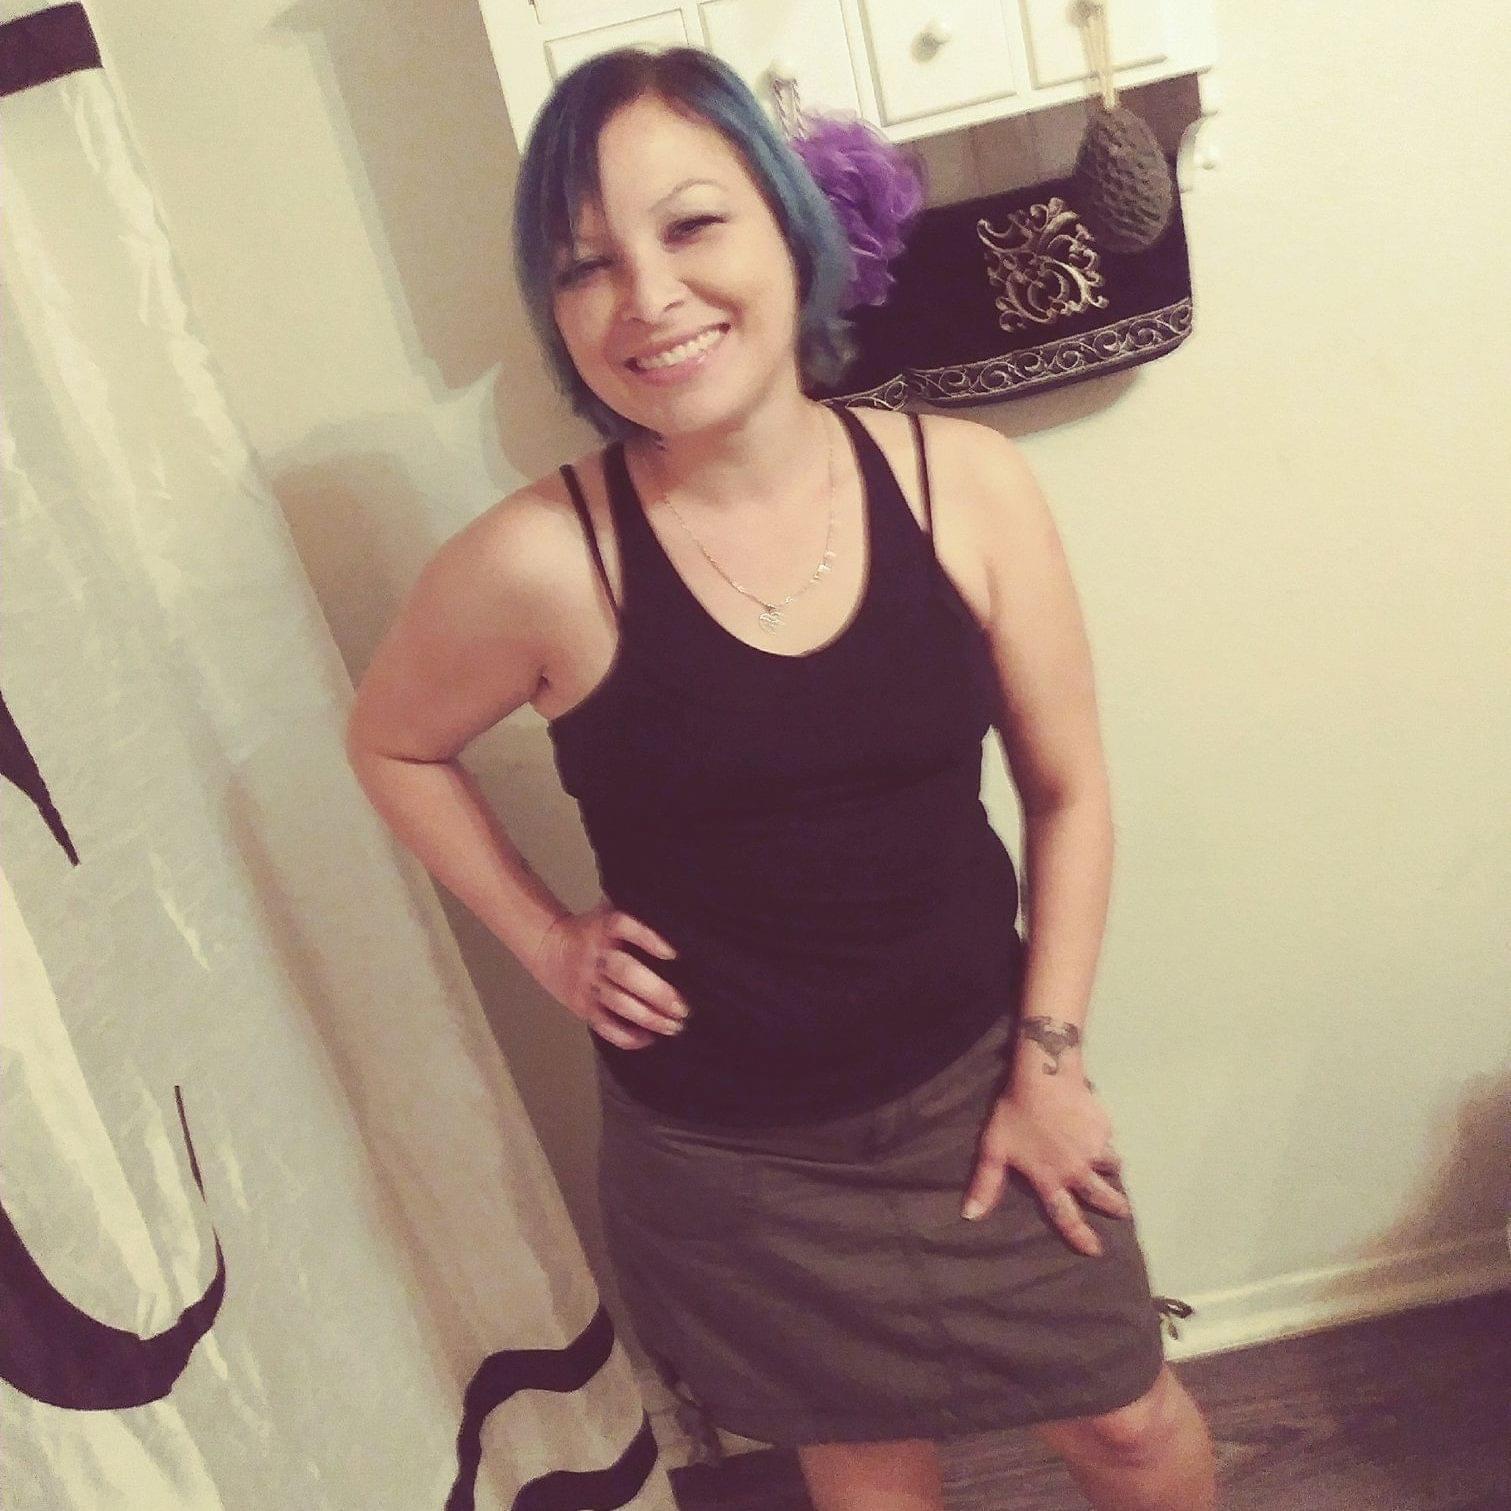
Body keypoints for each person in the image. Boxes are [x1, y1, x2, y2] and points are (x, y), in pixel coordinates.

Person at [345, 44, 1218, 1511]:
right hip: (728, 1159)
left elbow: (1070, 793)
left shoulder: (965, 485)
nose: (648, 296)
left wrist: (1051, 1065)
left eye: (692, 224)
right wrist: (548, 943)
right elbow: (389, 741)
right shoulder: (541, 561)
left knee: (1129, 1426)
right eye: (585, 265)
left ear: (792, 229)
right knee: (867, 1466)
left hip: (981, 1088)